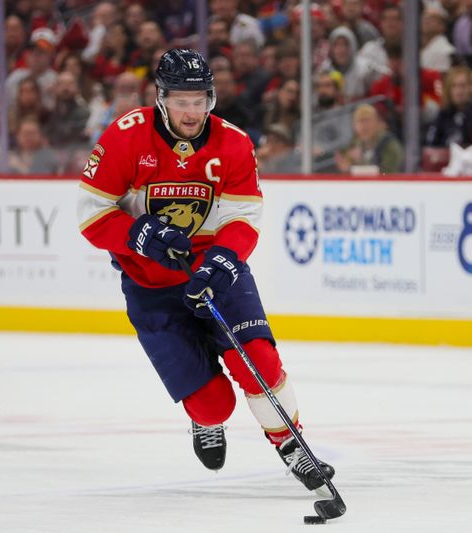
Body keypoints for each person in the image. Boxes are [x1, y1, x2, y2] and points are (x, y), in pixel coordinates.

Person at [76, 49, 336, 493]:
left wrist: (223, 258)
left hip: (215, 275)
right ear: (161, 98)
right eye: (181, 101)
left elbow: (243, 217)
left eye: (199, 100)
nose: (192, 111)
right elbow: (91, 212)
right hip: (150, 286)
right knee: (214, 404)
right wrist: (141, 234)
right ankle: (206, 422)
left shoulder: (233, 142)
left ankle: (292, 446)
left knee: (260, 360)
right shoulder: (125, 137)